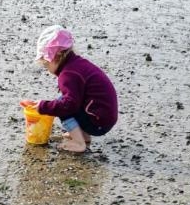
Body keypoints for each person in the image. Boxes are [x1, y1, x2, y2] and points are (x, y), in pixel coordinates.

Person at [22, 25, 118, 153]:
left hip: (99, 123)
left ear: (56, 57)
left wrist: (43, 106)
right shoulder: (77, 64)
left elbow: (69, 105)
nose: (47, 69)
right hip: (104, 117)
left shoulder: (68, 75)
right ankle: (83, 136)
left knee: (63, 106)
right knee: (68, 100)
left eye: (46, 64)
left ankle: (79, 143)